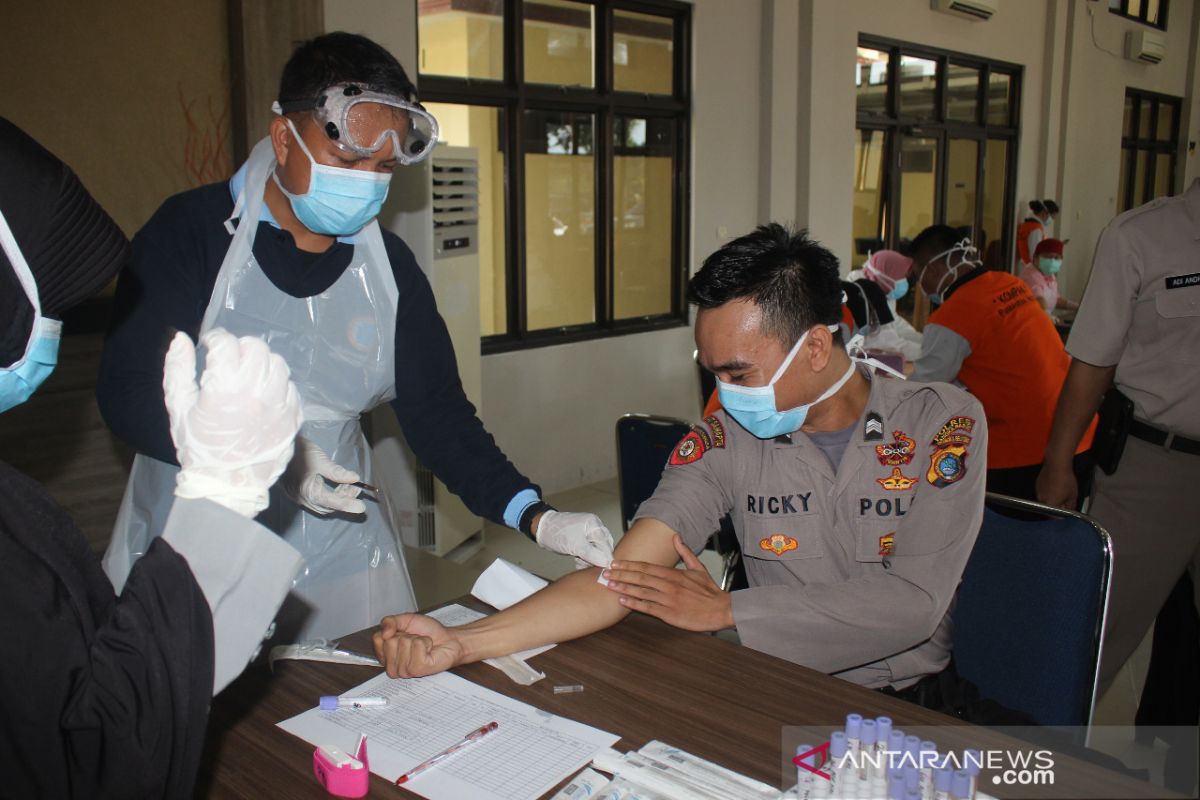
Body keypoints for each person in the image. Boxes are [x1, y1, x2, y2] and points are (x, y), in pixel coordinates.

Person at [97, 33, 613, 642]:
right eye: (347, 163)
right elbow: (128, 391)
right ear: (285, 138)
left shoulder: (388, 270)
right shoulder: (191, 236)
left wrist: (535, 517)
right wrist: (270, 457)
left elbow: (440, 418)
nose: (367, 184)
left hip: (340, 549)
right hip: (198, 546)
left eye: (384, 167)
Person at [372, 224, 988, 701]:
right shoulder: (726, 438)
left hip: (911, 705)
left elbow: (912, 602)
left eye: (738, 373)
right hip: (778, 688)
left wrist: (727, 609)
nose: (723, 392)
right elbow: (621, 579)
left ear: (817, 347)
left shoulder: (942, 422)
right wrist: (462, 643)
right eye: (713, 372)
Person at [0, 118, 303, 796]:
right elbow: (104, 754)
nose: (52, 329)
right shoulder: (190, 227)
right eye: (43, 306)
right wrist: (220, 498)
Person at [1036, 179, 1200, 698]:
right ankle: (1036, 765)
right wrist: (1058, 463)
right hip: (1156, 469)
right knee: (1097, 636)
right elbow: (1092, 363)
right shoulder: (1142, 236)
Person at [909, 225, 1094, 502]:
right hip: (1076, 434)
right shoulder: (1010, 284)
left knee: (1008, 541)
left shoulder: (953, 315)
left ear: (932, 271)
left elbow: (922, 394)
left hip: (1025, 455)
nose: (920, 287)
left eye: (917, 275)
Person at [847, 250, 923, 361]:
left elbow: (894, 322)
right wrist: (928, 352)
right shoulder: (859, 296)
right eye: (902, 277)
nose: (905, 282)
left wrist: (922, 340)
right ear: (887, 273)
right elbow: (887, 343)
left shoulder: (883, 289)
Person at [1020, 237, 1078, 315]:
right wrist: (1047, 316)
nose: (1052, 261)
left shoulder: (1049, 275)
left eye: (1056, 258)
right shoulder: (1031, 275)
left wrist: (1076, 306)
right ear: (1036, 258)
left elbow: (1055, 300)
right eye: (1048, 257)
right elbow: (1039, 300)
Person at [1015, 199, 1052, 266]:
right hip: (1031, 267)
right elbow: (1034, 253)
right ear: (1043, 214)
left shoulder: (1027, 225)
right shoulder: (1036, 229)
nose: (1049, 219)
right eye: (1048, 216)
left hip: (1025, 265)